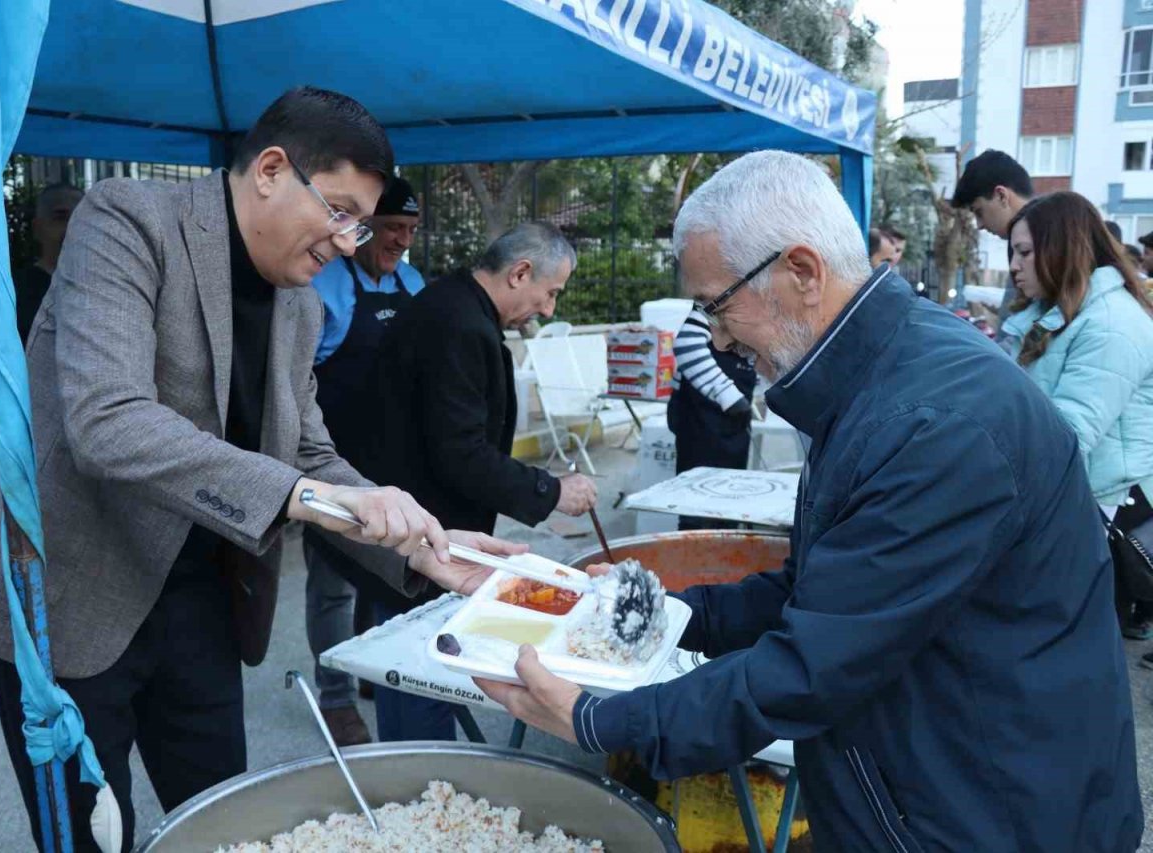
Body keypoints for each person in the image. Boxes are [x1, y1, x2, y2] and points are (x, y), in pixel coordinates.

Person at [478, 151, 1143, 852]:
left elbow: (810, 666)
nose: (718, 335)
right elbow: (817, 589)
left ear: (801, 271)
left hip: (991, 810)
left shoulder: (936, 422)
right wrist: (666, 614)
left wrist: (597, 721)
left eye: (716, 305)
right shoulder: (873, 377)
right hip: (929, 780)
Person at [0, 86, 518, 852]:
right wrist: (300, 494)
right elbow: (107, 419)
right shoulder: (128, 220)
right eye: (340, 211)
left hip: (204, 603)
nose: (350, 241)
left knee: (228, 825)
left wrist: (422, 541)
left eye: (360, 222)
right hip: (74, 595)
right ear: (270, 169)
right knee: (92, 836)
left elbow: (310, 452)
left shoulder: (301, 303)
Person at [361, 222, 598, 741]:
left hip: (427, 529)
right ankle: (420, 788)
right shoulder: (458, 324)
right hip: (421, 537)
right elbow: (461, 453)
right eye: (551, 293)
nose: (550, 309)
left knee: (429, 674)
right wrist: (552, 490)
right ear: (520, 273)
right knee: (419, 679)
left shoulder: (453, 304)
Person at [302, 175, 424, 745]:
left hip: (395, 460)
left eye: (410, 230)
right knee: (333, 587)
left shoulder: (414, 283)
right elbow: (300, 376)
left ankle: (375, 671)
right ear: (367, 226)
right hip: (334, 460)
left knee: (390, 579)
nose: (401, 240)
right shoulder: (324, 284)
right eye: (393, 228)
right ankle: (336, 700)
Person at [1002, 192, 1153, 642]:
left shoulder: (1111, 323)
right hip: (1072, 507)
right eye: (1012, 252)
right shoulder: (1059, 315)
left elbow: (1065, 435)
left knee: (1078, 658)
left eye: (1025, 252)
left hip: (1104, 514)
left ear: (1063, 247)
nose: (1013, 265)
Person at [666, 304, 756, 529]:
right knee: (696, 511)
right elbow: (687, 344)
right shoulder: (717, 295)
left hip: (734, 427)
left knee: (728, 507)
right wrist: (728, 395)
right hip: (699, 424)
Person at [952, 149, 1035, 341]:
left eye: (979, 212)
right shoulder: (1017, 238)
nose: (979, 225)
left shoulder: (1052, 236)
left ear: (1001, 196)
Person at [13, 182, 83, 342]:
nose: (72, 228)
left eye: (80, 219)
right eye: (61, 218)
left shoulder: (101, 287)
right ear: (37, 228)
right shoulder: (15, 292)